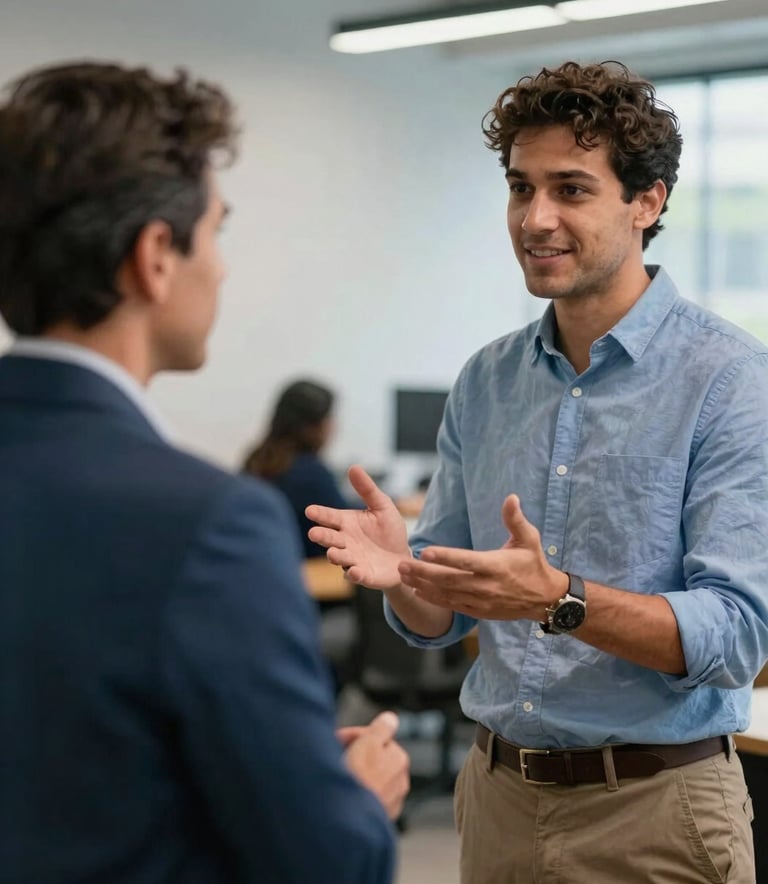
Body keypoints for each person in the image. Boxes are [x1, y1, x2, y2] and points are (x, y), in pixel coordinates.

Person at [307, 60, 768, 884]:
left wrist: (561, 601)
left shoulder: (731, 380)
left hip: (656, 813)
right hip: (497, 802)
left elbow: (735, 636)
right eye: (521, 188)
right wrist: (402, 571)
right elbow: (441, 614)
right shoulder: (487, 380)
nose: (536, 218)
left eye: (572, 189)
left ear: (648, 201)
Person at [0, 61, 408, 883]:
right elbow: (324, 863)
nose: (220, 267)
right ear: (155, 257)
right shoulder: (208, 522)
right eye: (216, 232)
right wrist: (358, 800)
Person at [242, 378, 350, 558]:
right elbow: (345, 526)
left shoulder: (256, 459)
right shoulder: (312, 474)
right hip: (311, 574)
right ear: (313, 427)